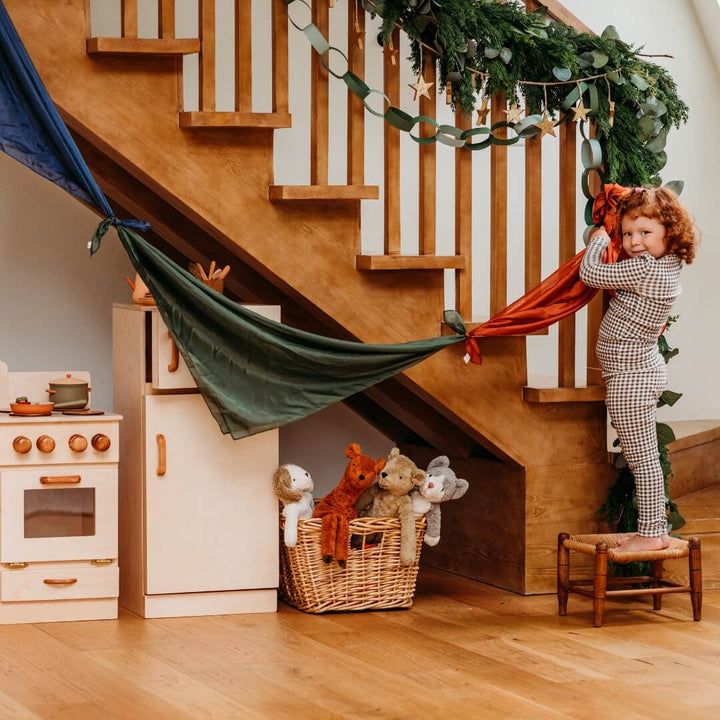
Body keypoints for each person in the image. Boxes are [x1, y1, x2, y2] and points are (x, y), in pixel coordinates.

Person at [580, 186, 697, 554]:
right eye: (627, 233)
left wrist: (600, 239)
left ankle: (649, 533)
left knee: (641, 459)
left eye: (645, 233)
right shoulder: (665, 264)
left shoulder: (646, 269)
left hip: (631, 377)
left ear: (670, 232)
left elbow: (591, 273)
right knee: (643, 456)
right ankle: (656, 530)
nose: (634, 242)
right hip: (636, 371)